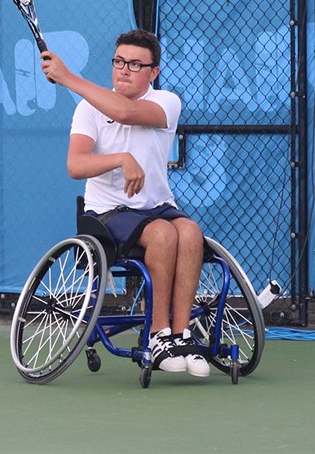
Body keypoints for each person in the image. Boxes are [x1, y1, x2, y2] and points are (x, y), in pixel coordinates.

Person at [40, 28, 209, 377]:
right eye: (119, 61)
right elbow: (76, 165)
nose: (124, 70)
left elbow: (126, 113)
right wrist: (119, 158)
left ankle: (181, 334)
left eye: (135, 64)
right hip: (106, 215)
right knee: (162, 234)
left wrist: (68, 77)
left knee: (190, 231)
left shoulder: (167, 102)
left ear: (154, 72)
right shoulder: (88, 110)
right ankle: (158, 333)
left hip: (157, 205)